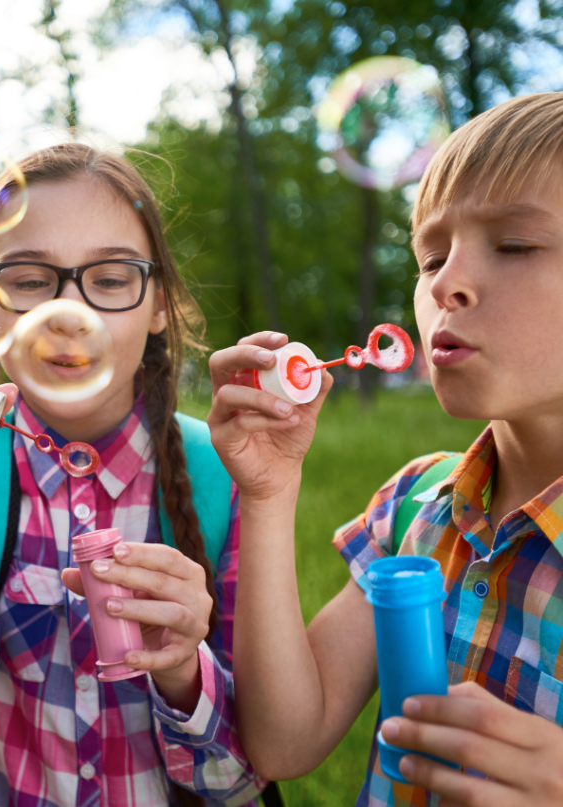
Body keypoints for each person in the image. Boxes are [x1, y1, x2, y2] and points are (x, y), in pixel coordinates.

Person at [0, 143, 268, 806]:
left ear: (159, 306)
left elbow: (236, 777)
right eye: (30, 279)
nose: (68, 313)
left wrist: (181, 670)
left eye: (111, 279)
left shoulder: (223, 477)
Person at [210, 92, 563, 806]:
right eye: (430, 256)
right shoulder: (413, 508)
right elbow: (285, 740)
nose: (446, 283)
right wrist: (269, 493)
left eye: (515, 244)